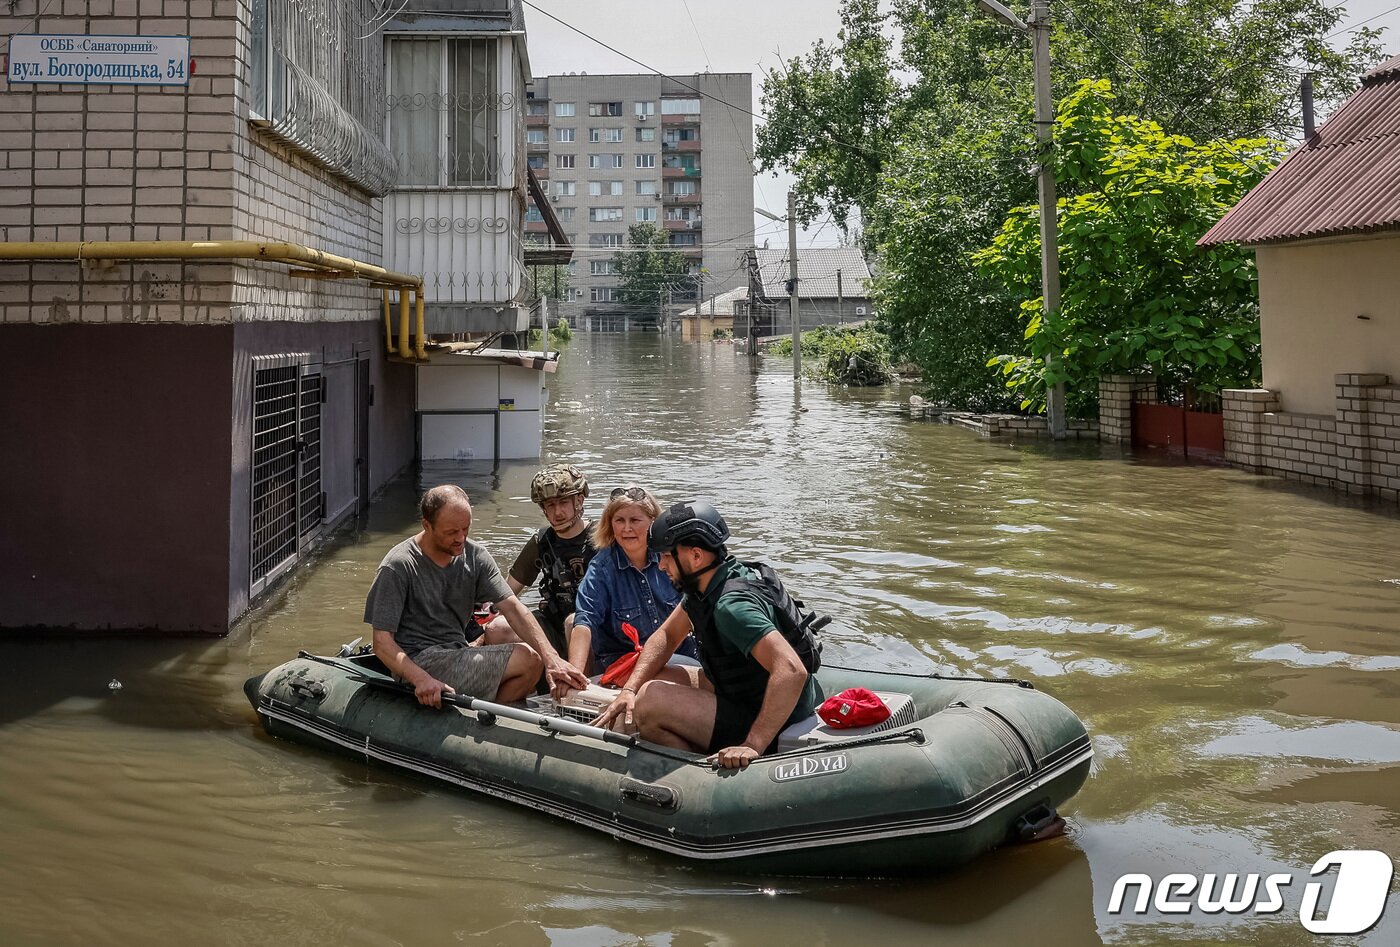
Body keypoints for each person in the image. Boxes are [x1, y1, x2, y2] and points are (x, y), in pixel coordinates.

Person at [594, 501, 823, 770]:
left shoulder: (731, 607)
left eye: (667, 556)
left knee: (651, 701)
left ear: (696, 556)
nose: (661, 565)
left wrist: (753, 744)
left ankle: (705, 778)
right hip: (747, 694)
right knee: (654, 677)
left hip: (775, 718)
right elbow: (666, 636)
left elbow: (792, 670)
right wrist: (628, 690)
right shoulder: (709, 585)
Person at [365, 484, 588, 708]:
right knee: (528, 659)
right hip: (420, 660)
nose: (461, 538)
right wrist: (420, 678)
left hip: (457, 651)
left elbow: (512, 608)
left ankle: (486, 721)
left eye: (465, 529)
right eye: (451, 532)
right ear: (427, 525)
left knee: (533, 656)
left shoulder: (475, 556)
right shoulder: (398, 565)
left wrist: (553, 659)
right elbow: (382, 642)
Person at [569, 485, 698, 678]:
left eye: (635, 520)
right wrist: (574, 674)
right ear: (610, 524)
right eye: (619, 520)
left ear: (653, 522)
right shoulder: (601, 569)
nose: (627, 528)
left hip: (681, 656)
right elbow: (584, 621)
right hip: (624, 663)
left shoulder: (674, 559)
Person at [485, 463, 596, 658]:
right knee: (497, 629)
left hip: (593, 628)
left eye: (563, 502)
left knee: (574, 623)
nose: (557, 512)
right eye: (550, 505)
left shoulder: (600, 538)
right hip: (552, 625)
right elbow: (506, 594)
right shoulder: (542, 541)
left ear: (578, 501)